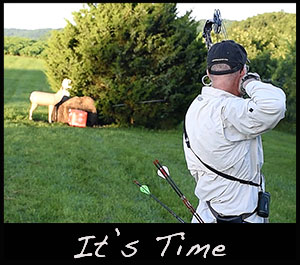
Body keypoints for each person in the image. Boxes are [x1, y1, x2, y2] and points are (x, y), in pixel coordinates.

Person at [183, 40, 286, 223]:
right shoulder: (231, 111)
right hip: (241, 215)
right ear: (242, 71)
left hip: (207, 214)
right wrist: (250, 82)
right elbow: (274, 105)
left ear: (208, 73)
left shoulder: (197, 106)